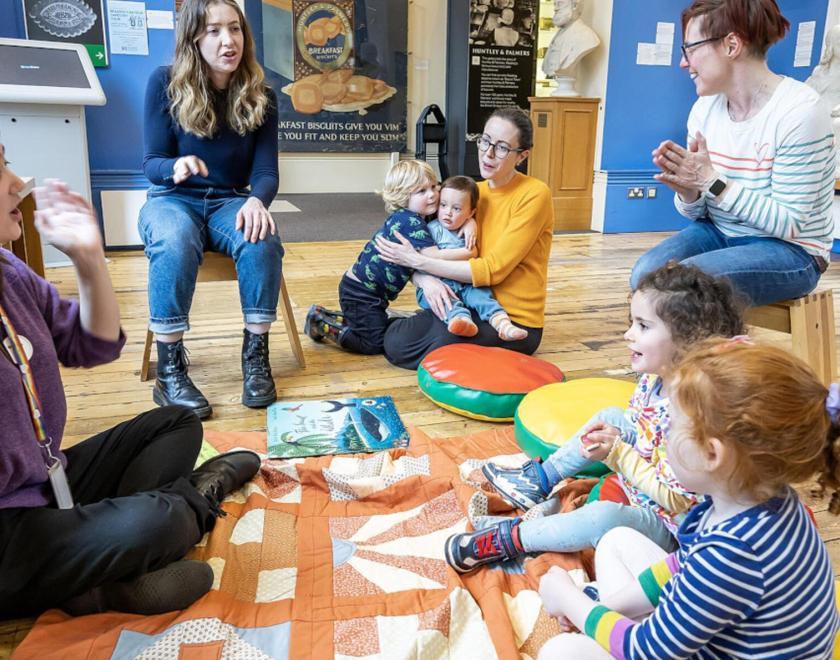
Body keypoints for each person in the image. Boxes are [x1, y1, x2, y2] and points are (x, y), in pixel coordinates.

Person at [0, 149, 260, 617]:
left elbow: (93, 345)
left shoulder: (9, 270)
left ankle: (98, 568)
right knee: (161, 520)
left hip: (43, 478)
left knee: (176, 422)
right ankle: (184, 508)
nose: (18, 182)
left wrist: (87, 258)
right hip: (7, 532)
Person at [537, 339, 840, 658]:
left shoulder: (732, 553)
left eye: (670, 426)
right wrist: (601, 609)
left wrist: (568, 598)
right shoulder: (759, 500)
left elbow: (645, 649)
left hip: (667, 649)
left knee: (560, 651)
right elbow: (682, 563)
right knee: (617, 541)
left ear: (711, 453)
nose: (661, 436)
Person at [444, 263, 746, 573]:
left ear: (688, 341)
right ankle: (540, 479)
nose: (628, 334)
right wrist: (615, 441)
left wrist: (618, 454)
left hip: (671, 527)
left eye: (643, 326)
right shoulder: (653, 379)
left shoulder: (692, 414)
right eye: (632, 322)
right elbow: (644, 434)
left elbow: (675, 500)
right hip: (646, 484)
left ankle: (512, 539)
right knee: (612, 416)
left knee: (603, 517)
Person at [632, 0, 835, 307]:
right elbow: (699, 212)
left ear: (731, 45)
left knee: (680, 289)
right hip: (719, 231)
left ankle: (707, 341)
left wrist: (710, 181)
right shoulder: (704, 109)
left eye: (689, 49)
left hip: (792, 250)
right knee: (645, 276)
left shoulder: (800, 112)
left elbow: (788, 224)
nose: (683, 63)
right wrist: (689, 192)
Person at [139, 0, 282, 419]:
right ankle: (170, 372)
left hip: (229, 200)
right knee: (175, 239)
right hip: (171, 199)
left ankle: (256, 358)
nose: (228, 40)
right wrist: (175, 167)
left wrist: (257, 201)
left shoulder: (262, 96)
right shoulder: (164, 82)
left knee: (261, 236)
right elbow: (151, 163)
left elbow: (266, 172)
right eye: (214, 30)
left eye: (234, 29)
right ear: (194, 38)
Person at [375, 107, 554, 369]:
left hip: (512, 319)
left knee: (400, 343)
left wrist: (419, 263)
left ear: (522, 156)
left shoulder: (535, 194)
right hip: (465, 302)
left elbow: (492, 270)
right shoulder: (470, 194)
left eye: (502, 148)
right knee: (399, 340)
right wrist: (424, 279)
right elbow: (423, 244)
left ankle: (402, 322)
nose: (488, 153)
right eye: (485, 141)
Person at [303, 160, 440, 355]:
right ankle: (320, 323)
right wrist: (468, 255)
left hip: (364, 291)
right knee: (372, 343)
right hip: (361, 293)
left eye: (434, 186)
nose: (432, 194)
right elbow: (434, 258)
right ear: (403, 197)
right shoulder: (411, 222)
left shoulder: (404, 216)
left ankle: (332, 316)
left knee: (371, 325)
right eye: (422, 191)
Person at [417, 175, 527, 341]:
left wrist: (470, 223)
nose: (448, 212)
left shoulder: (468, 229)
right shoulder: (431, 229)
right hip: (440, 284)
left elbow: (473, 252)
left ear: (471, 213)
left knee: (482, 297)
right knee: (443, 301)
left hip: (467, 283)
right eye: (443, 205)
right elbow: (468, 253)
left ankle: (503, 324)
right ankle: (461, 320)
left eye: (456, 209)